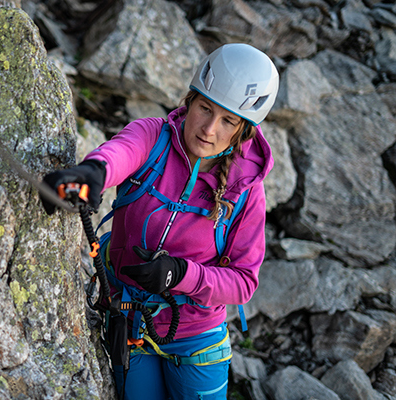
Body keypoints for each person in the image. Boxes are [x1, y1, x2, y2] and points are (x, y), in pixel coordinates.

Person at [41, 43, 279, 400]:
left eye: (227, 120)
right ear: (190, 100)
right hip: (130, 322)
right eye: (204, 108)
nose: (209, 129)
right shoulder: (153, 137)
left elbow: (243, 283)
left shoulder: (246, 192)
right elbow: (119, 154)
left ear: (243, 130)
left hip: (197, 339)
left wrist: (181, 275)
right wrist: (91, 173)